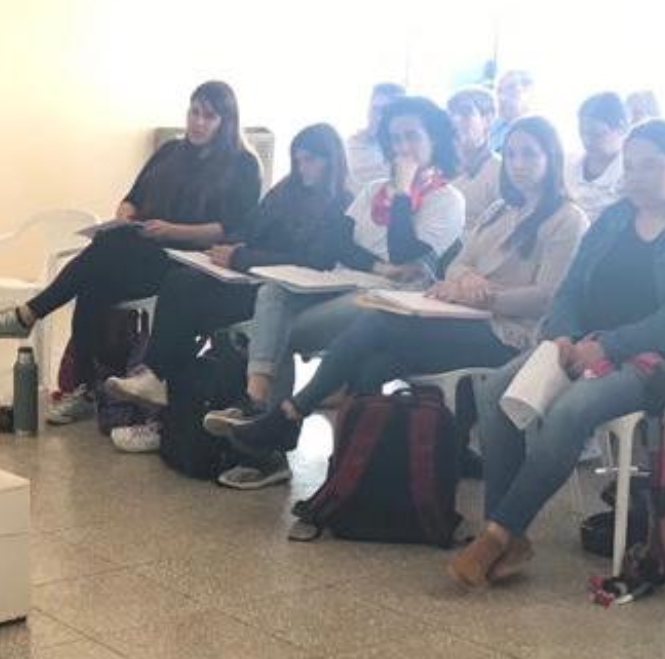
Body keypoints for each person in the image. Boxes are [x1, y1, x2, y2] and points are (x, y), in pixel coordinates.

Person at [448, 121, 665, 589]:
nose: (635, 177)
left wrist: (607, 346)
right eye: (630, 166)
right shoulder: (615, 218)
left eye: (650, 166)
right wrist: (562, 335)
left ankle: (496, 535)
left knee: (569, 410)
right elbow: (571, 289)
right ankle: (507, 535)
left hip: (662, 359)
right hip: (586, 343)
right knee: (494, 392)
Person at [218, 117, 587, 463]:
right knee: (372, 364)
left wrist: (485, 297)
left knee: (380, 321)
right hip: (464, 314)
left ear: (551, 158)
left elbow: (546, 297)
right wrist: (466, 280)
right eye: (512, 154)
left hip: (510, 334)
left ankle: (291, 413)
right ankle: (353, 470)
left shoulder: (567, 219)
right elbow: (458, 263)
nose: (518, 164)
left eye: (530, 154)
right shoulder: (500, 210)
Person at [0, 82, 261, 424]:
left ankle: (29, 314)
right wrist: (126, 214)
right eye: (194, 112)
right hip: (144, 248)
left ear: (226, 121)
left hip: (187, 261)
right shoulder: (171, 152)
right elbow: (133, 197)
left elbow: (229, 229)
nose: (198, 122)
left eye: (208, 116)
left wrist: (172, 230)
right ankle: (83, 387)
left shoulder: (243, 165)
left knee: (103, 254)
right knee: (94, 282)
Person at [103, 124, 353, 459]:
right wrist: (227, 245)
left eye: (311, 160)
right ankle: (157, 380)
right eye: (298, 160)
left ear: (331, 161)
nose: (302, 168)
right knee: (180, 283)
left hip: (280, 290)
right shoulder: (286, 191)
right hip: (250, 275)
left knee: (188, 307)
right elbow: (252, 226)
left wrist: (242, 257)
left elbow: (313, 259)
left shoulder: (341, 204)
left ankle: (168, 406)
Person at [222, 96, 466, 422]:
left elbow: (403, 250)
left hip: (390, 299)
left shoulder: (447, 199)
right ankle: (257, 398)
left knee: (271, 331)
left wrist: (403, 192)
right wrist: (380, 265)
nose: (402, 148)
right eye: (395, 139)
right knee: (273, 292)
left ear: (434, 139)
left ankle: (266, 426)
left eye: (412, 136)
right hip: (342, 282)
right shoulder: (373, 190)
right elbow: (336, 242)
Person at [568, 91, 630, 218]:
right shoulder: (568, 165)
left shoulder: (631, 174)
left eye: (596, 134)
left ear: (622, 128)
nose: (587, 141)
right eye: (582, 133)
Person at [448, 86, 505, 221]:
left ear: (488, 119)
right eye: (450, 115)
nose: (455, 120)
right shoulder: (436, 168)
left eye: (465, 113)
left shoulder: (501, 171)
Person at [346, 83, 404, 189]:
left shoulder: (405, 152)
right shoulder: (347, 146)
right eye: (375, 109)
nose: (378, 118)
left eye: (384, 112)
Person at [491, 69, 535, 149]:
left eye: (510, 88)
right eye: (499, 91)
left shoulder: (535, 127)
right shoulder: (494, 125)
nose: (502, 97)